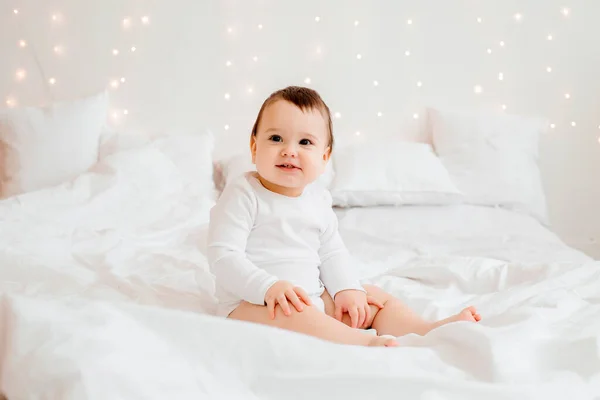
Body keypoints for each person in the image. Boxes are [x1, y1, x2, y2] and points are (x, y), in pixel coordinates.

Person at [207, 86, 481, 347]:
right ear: (254, 148)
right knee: (294, 315)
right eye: (276, 138)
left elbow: (331, 253)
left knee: (371, 298)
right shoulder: (244, 193)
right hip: (251, 305)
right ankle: (362, 342)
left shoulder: (318, 199)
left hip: (310, 297)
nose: (290, 150)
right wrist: (268, 287)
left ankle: (424, 330)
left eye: (305, 142)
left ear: (324, 157)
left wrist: (346, 290)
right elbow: (224, 256)